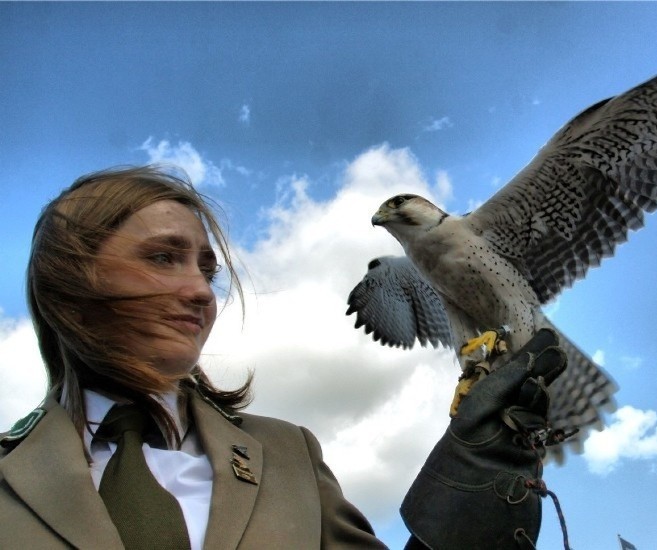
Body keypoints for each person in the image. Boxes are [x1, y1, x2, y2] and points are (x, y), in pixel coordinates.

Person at [0, 165, 567, 549]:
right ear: (66, 282)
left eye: (207, 270)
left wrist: (460, 519)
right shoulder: (10, 476)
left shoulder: (289, 456)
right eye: (163, 257)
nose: (200, 293)